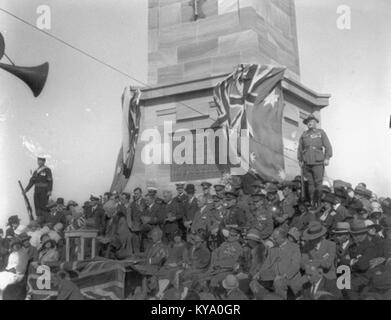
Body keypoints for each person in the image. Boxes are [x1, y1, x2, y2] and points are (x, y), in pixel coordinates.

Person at [297, 114, 332, 208]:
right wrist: (300, 159)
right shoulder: (304, 135)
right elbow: (300, 148)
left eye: (311, 121)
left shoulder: (321, 133)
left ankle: (319, 201)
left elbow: (328, 146)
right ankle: (312, 201)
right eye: (308, 122)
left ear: (315, 122)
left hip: (318, 162)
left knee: (318, 183)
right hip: (307, 163)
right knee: (310, 184)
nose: (309, 123)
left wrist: (327, 157)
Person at [256, 227, 302, 297]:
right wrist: (259, 273)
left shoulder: (294, 247)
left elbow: (295, 265)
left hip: (290, 278)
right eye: (273, 238)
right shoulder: (273, 249)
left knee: (278, 283)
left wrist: (284, 276)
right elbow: (267, 263)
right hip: (274, 276)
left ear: (283, 238)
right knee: (255, 281)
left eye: (275, 238)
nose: (273, 240)